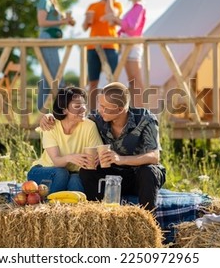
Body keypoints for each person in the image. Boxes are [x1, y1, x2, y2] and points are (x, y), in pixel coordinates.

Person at [40, 82, 166, 211]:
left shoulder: (146, 119)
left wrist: (121, 159)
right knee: (87, 172)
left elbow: (154, 157)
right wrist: (50, 117)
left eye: (105, 107)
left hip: (140, 176)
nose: (100, 110)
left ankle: (148, 219)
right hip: (114, 176)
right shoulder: (97, 118)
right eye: (100, 105)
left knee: (149, 171)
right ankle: (97, 216)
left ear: (120, 109)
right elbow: (71, 116)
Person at [27, 86, 103, 193]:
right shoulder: (50, 125)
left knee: (76, 181)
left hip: (72, 173)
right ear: (64, 110)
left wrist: (98, 158)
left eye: (84, 105)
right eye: (77, 106)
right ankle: (50, 204)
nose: (84, 109)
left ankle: (70, 207)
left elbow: (98, 153)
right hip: (44, 170)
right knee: (61, 173)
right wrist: (71, 158)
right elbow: (57, 161)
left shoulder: (89, 126)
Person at [36, 0, 75, 112]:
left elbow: (53, 21)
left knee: (47, 78)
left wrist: (66, 21)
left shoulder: (52, 1)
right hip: (46, 39)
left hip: (51, 40)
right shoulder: (44, 1)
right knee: (57, 75)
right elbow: (41, 22)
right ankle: (66, 111)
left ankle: (41, 114)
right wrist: (62, 21)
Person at [82, 0, 123, 110]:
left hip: (110, 47)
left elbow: (111, 15)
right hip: (92, 47)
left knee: (112, 81)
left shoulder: (116, 5)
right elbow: (84, 27)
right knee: (93, 82)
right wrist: (87, 21)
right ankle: (91, 113)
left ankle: (113, 111)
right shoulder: (92, 6)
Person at [106, 0, 146, 107]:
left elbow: (132, 27)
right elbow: (127, 26)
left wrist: (117, 20)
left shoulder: (139, 7)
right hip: (127, 45)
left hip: (133, 46)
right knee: (132, 80)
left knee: (136, 80)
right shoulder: (134, 8)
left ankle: (141, 110)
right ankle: (135, 108)